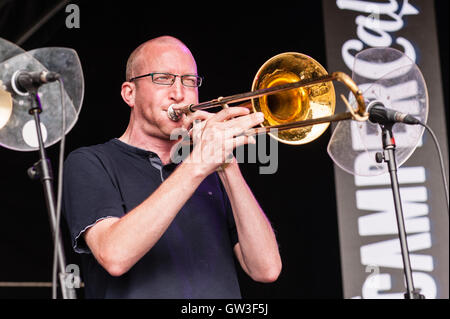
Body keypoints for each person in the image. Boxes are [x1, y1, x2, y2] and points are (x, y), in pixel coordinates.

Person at [63, 35, 281, 299]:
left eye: (189, 81)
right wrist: (198, 164)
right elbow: (114, 256)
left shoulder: (212, 169)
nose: (179, 93)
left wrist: (227, 163)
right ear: (129, 93)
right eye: (163, 78)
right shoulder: (90, 162)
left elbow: (266, 269)